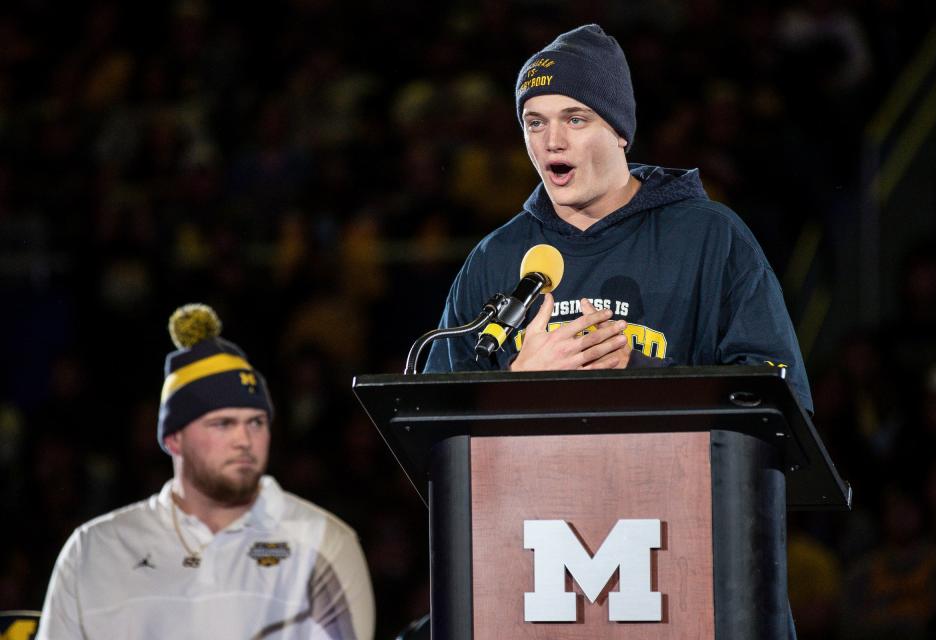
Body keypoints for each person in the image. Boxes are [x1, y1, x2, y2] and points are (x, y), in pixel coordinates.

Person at [423, 23, 812, 415]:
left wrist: (637, 371)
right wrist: (519, 380)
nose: (552, 140)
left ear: (620, 131)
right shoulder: (494, 257)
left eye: (575, 119)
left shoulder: (710, 237)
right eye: (535, 122)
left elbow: (779, 402)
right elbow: (435, 424)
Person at [37, 304, 375, 640]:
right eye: (223, 424)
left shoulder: (324, 542)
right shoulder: (95, 549)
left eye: (256, 422)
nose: (244, 440)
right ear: (174, 439)